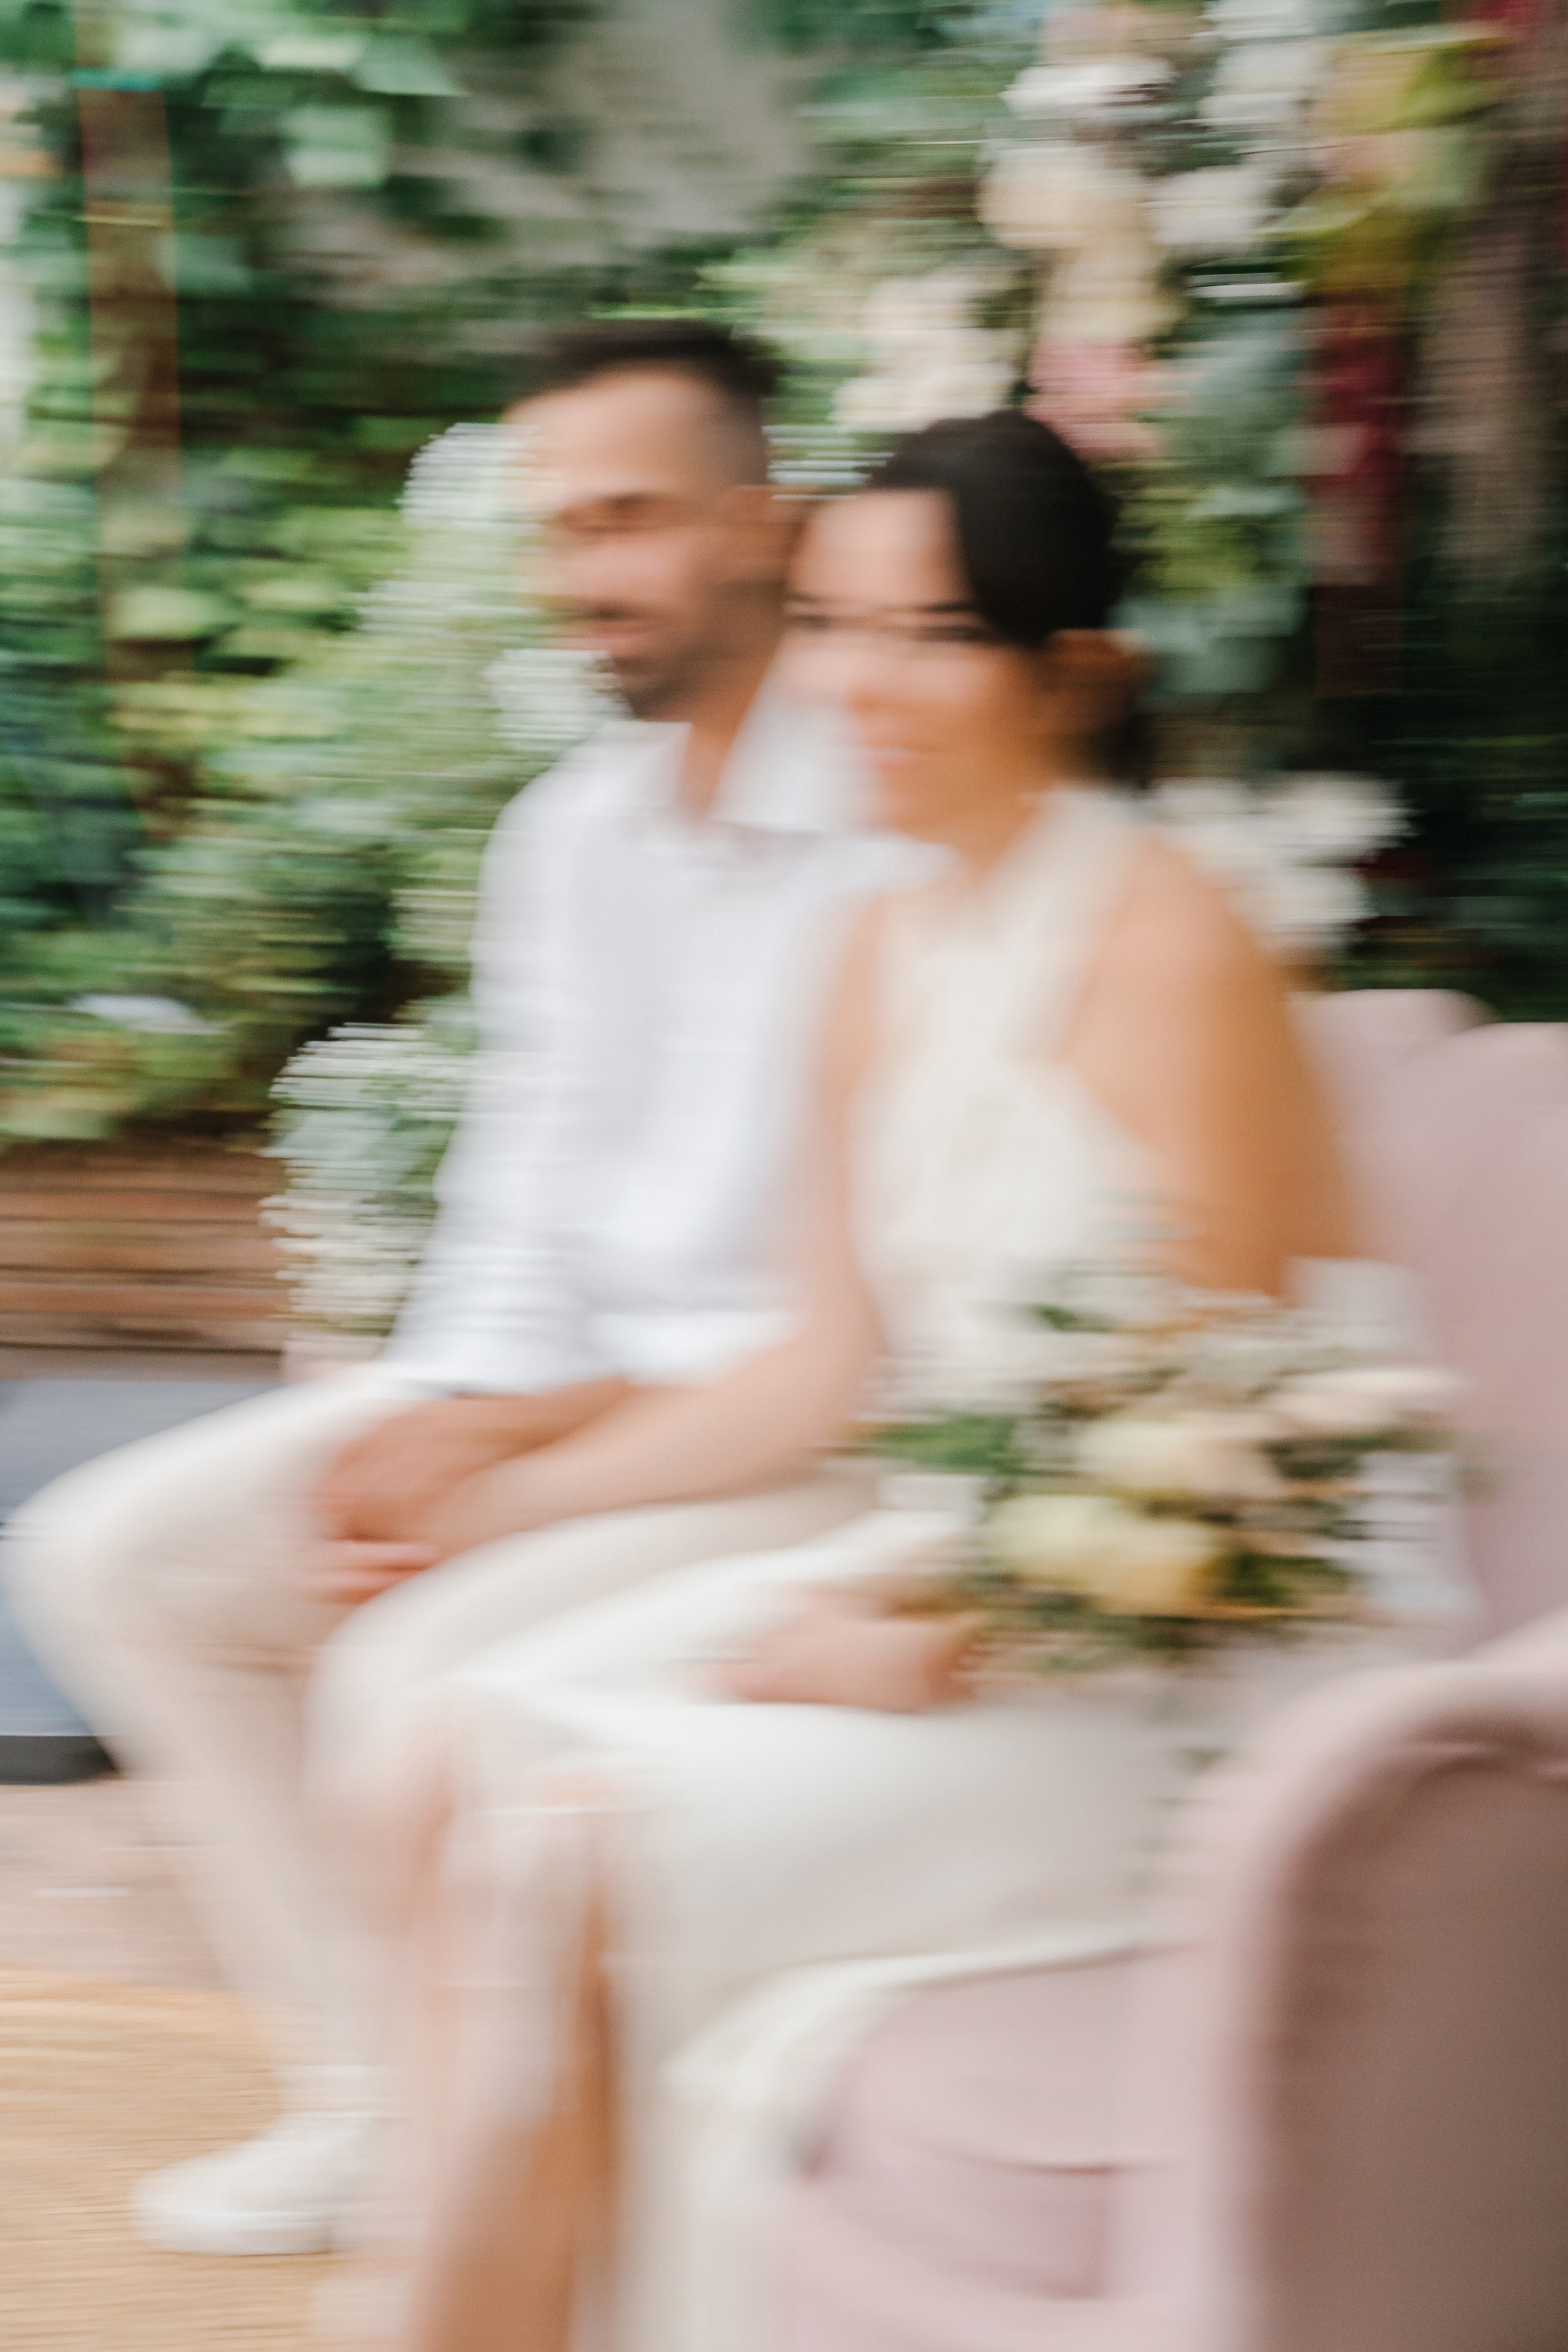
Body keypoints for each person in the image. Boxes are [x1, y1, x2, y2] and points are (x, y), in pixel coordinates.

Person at [337, 412, 1463, 2352]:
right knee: (442, 1747)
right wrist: (488, 1504)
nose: (855, 682)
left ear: (1072, 670)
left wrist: (941, 1635)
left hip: (1199, 1655)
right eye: (832, 622)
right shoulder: (872, 935)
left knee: (561, 1838)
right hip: (981, 1566)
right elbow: (825, 1368)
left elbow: (1226, 1442)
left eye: (930, 635)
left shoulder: (1175, 936)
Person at [2, 321, 924, 2258]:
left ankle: (493, 2160)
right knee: (116, 1555)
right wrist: (435, 1417)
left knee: (405, 1668)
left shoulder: (901, 820)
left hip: (808, 1439)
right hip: (582, 1389)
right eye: (555, 528)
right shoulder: (572, 833)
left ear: (764, 525)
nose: (581, 573)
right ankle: (374, 2098)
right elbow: (529, 1185)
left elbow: (854, 1326)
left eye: (627, 518)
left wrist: (516, 1459)